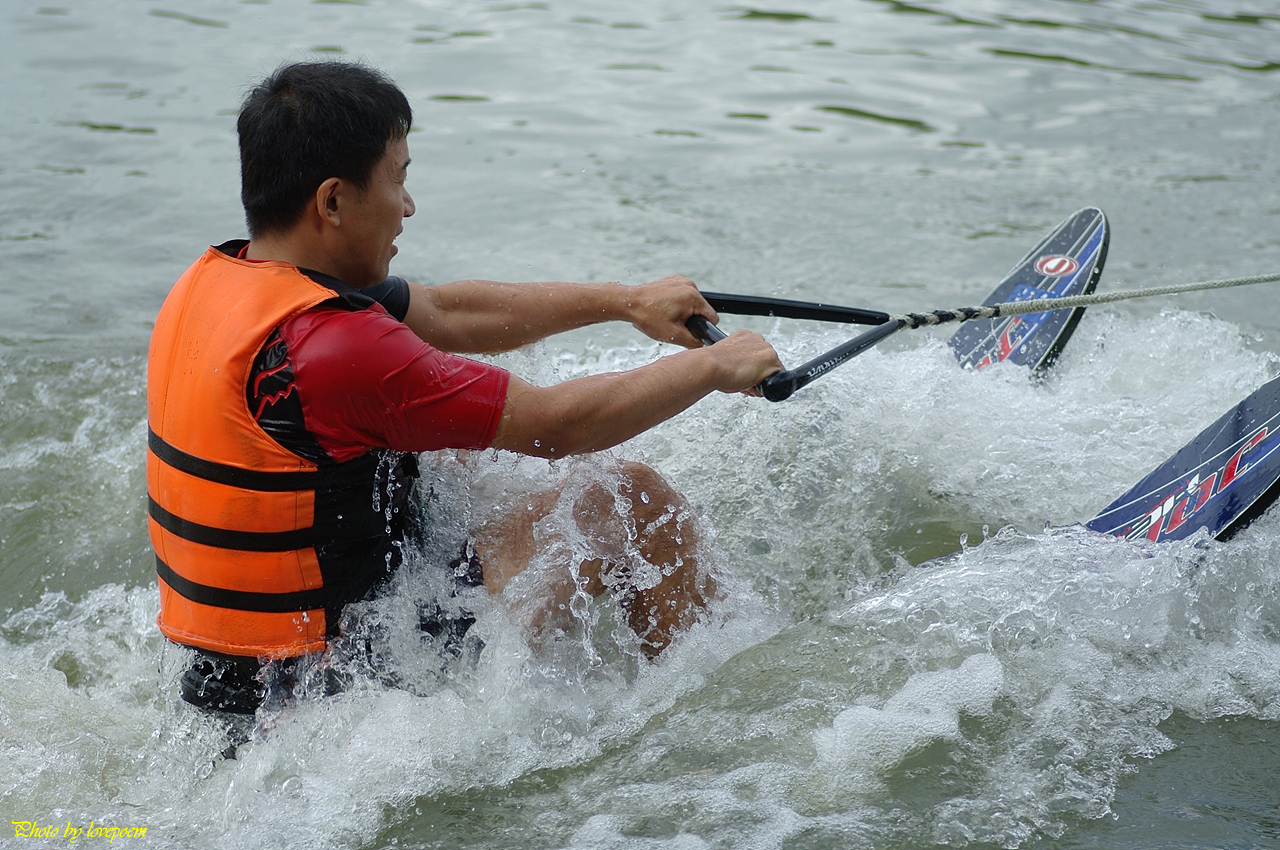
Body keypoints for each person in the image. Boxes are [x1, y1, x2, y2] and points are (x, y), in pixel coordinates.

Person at [146, 60, 781, 714]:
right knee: (629, 499)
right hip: (341, 689)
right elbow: (556, 428)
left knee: (457, 452)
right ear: (333, 201)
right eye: (399, 180)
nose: (410, 206)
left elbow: (448, 312)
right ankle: (743, 719)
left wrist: (628, 302)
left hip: (229, 682)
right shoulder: (335, 348)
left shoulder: (218, 286)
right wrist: (714, 366)